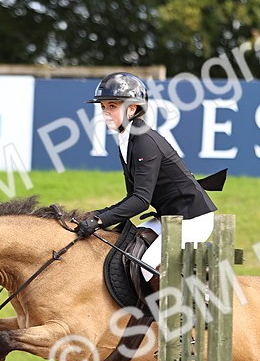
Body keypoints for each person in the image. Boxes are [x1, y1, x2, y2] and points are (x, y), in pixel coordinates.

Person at [74, 72, 217, 281]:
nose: (105, 112)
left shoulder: (143, 141)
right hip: (168, 217)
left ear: (132, 108)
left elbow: (141, 200)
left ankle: (188, 307)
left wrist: (99, 220)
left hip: (192, 220)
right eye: (103, 107)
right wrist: (96, 214)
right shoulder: (126, 139)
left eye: (112, 106)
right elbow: (132, 196)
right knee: (122, 249)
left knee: (144, 266)